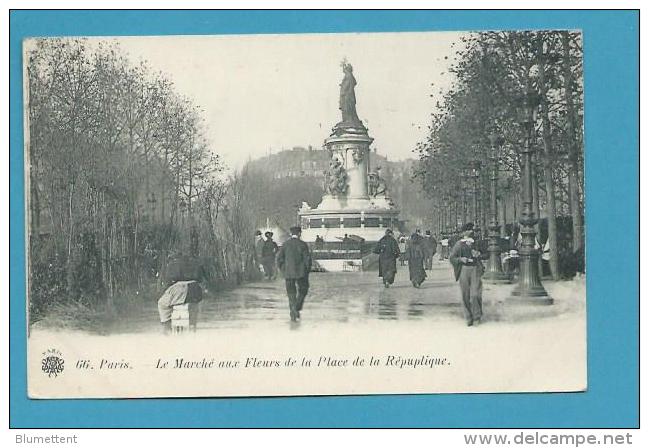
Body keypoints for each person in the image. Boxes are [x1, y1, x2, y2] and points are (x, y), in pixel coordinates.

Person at [157, 252, 206, 333]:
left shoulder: (172, 264)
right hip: (195, 291)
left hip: (180, 289)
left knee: (161, 303)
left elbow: (169, 281)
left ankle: (167, 326)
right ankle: (192, 326)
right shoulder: (195, 262)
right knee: (193, 308)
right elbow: (202, 279)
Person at [449, 223, 487, 327]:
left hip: (475, 269)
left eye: (472, 230)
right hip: (464, 270)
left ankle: (477, 316)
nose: (471, 232)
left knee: (475, 294)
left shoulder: (478, 243)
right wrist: (461, 259)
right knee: (465, 294)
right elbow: (452, 257)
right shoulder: (459, 244)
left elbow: (487, 254)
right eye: (469, 230)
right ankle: (468, 316)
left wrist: (479, 255)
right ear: (464, 232)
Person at [276, 226, 312, 322]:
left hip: (288, 273)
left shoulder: (285, 244)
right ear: (299, 234)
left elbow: (279, 259)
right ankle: (297, 307)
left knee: (291, 293)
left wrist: (283, 269)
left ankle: (293, 311)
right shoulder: (303, 245)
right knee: (303, 290)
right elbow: (307, 260)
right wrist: (306, 271)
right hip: (301, 273)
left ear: (291, 234)